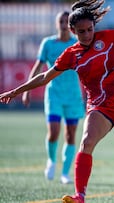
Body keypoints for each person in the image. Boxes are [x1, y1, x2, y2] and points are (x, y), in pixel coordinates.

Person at [0, 0, 114, 203]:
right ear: (73, 31)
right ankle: (79, 195)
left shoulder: (110, 37)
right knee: (87, 141)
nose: (87, 34)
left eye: (90, 29)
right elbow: (45, 77)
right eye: (81, 31)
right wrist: (17, 91)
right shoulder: (71, 55)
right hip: (100, 107)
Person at [22, 11, 85, 185]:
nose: (64, 24)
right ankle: (51, 160)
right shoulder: (48, 43)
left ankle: (65, 173)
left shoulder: (77, 44)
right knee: (53, 133)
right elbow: (38, 67)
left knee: (71, 135)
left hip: (73, 96)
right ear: (57, 24)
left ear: (71, 25)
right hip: (54, 95)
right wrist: (27, 90)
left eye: (67, 21)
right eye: (61, 21)